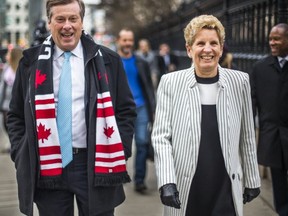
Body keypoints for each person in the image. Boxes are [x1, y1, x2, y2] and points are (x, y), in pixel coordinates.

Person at [7, 0, 136, 216]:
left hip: (95, 165)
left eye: (73, 19)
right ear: (49, 23)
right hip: (47, 166)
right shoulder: (31, 62)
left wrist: (120, 150)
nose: (67, 25)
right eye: (60, 19)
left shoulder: (107, 61)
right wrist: (21, 152)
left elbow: (126, 110)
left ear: (82, 22)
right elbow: (16, 114)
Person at [151, 14, 261, 216]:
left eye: (214, 43)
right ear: (189, 49)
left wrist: (252, 178)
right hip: (187, 186)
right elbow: (161, 137)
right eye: (200, 43)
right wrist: (167, 181)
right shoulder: (170, 82)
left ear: (221, 47)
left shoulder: (240, 81)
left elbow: (247, 135)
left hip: (225, 185)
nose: (207, 49)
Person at [250, 23, 288, 216]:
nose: (272, 42)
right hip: (272, 135)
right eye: (271, 38)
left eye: (277, 39)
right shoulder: (260, 68)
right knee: (278, 181)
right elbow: (252, 103)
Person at [116, 28, 156, 193]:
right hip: (119, 110)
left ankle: (139, 181)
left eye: (130, 40)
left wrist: (152, 108)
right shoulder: (112, 61)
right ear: (119, 41)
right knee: (119, 146)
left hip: (141, 108)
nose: (127, 43)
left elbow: (148, 87)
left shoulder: (141, 62)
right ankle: (118, 177)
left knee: (142, 143)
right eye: (124, 40)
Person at [0, 46, 23, 132]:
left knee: (14, 129)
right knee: (6, 127)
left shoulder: (21, 71)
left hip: (15, 107)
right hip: (5, 105)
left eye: (9, 54)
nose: (6, 56)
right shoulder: (6, 68)